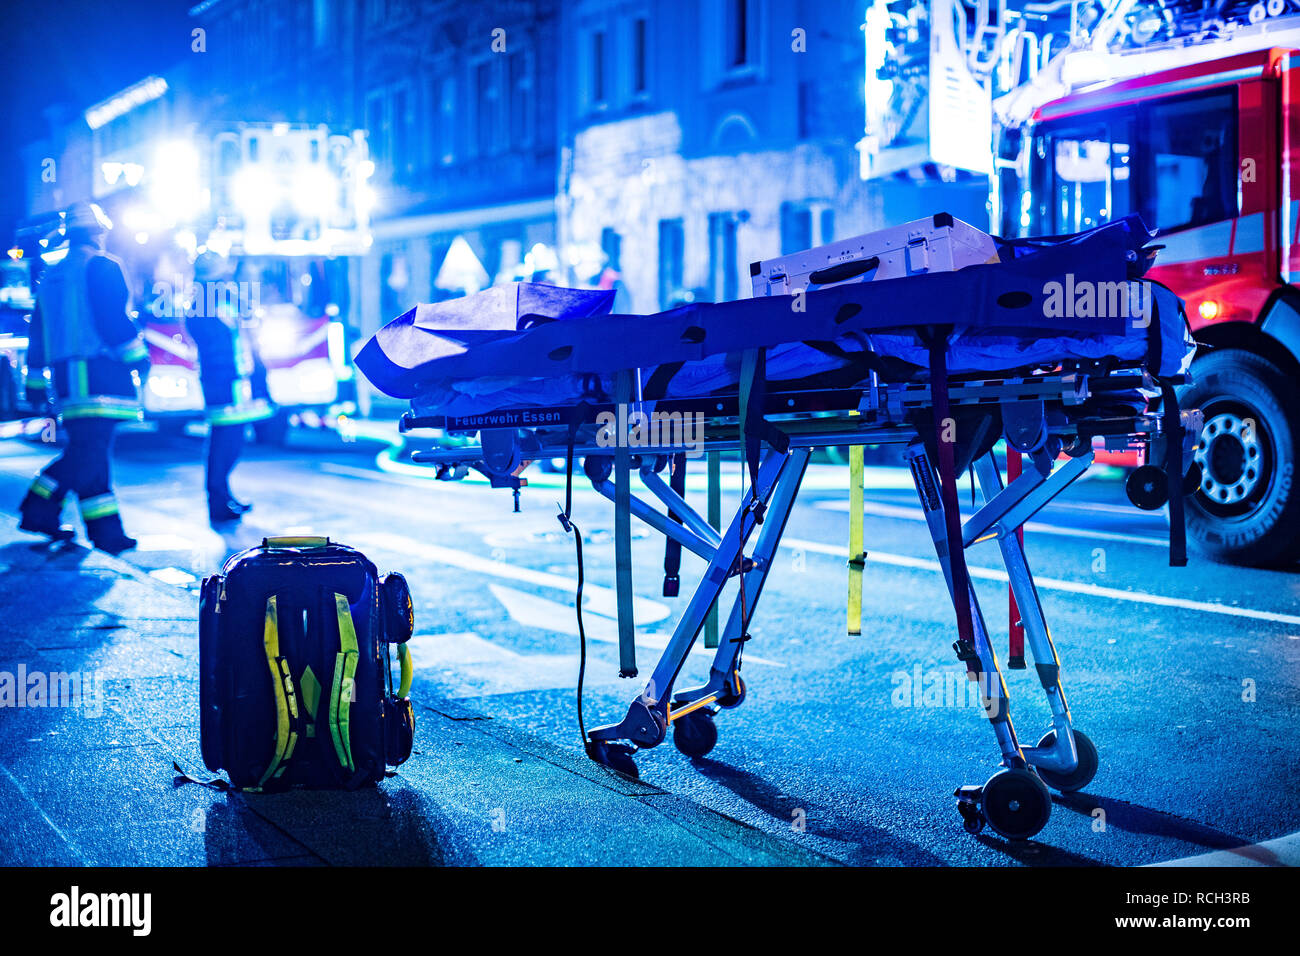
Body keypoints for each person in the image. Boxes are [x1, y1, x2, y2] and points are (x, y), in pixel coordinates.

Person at [18, 202, 148, 554]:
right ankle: (37, 508)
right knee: (88, 454)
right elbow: (113, 319)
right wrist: (139, 357)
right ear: (99, 232)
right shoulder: (103, 266)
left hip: (66, 378)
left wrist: (33, 380)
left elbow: (39, 332)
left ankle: (107, 533)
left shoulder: (53, 275)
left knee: (91, 452)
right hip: (99, 374)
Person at [185, 250, 273, 524]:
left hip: (229, 380)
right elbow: (230, 339)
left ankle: (222, 496)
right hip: (225, 382)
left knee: (227, 439)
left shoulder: (208, 301)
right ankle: (218, 500)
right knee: (226, 440)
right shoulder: (209, 303)